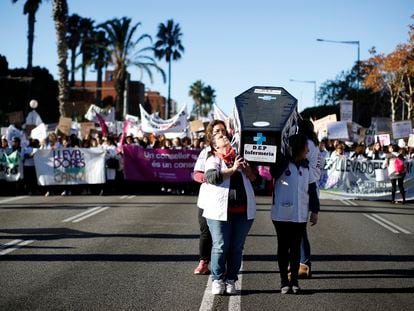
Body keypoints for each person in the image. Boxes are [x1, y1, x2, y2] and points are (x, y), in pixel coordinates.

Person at [198, 120, 257, 295]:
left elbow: (256, 179)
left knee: (237, 247)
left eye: (224, 134)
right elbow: (212, 177)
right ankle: (217, 279)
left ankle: (231, 279)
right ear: (214, 145)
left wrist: (246, 170)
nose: (222, 136)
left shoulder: (240, 156)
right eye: (218, 136)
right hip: (218, 212)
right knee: (220, 246)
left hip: (243, 211)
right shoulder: (212, 158)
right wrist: (232, 169)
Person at [270, 134, 319, 295]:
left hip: (300, 215)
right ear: (298, 147)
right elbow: (273, 172)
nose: (308, 150)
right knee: (283, 248)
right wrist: (283, 159)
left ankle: (295, 281)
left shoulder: (306, 167)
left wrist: (315, 211)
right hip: (281, 214)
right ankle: (284, 281)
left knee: (296, 248)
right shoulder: (282, 163)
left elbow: (312, 190)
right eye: (306, 147)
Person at [297, 120, 321, 279]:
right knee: (299, 230)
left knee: (298, 230)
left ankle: (304, 264)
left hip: (305, 186)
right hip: (310, 185)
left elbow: (301, 161)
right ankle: (302, 263)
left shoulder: (306, 144)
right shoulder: (315, 144)